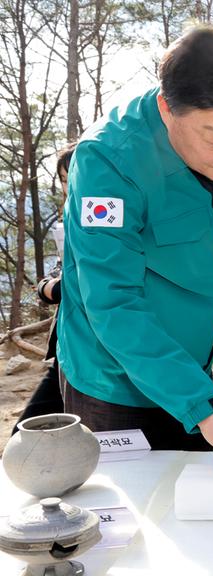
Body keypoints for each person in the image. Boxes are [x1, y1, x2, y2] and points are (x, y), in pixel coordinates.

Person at [57, 26, 213, 474]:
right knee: (131, 516)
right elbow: (113, 301)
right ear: (166, 108)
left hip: (191, 369)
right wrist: (206, 404)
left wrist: (200, 392)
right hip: (112, 382)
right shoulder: (109, 162)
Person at [12, 143, 76, 435]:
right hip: (68, 345)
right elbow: (53, 279)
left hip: (101, 349)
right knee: (27, 432)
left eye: (73, 175)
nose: (68, 186)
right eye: (63, 180)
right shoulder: (68, 222)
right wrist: (50, 288)